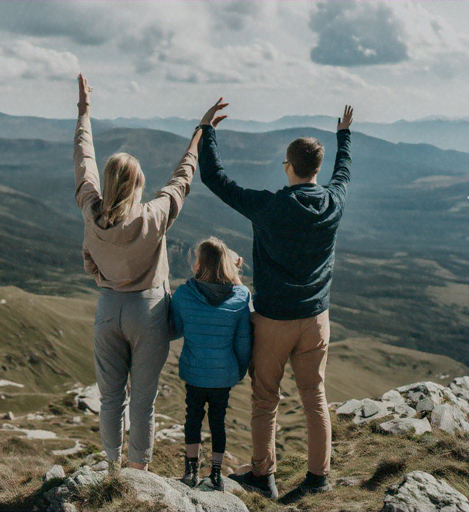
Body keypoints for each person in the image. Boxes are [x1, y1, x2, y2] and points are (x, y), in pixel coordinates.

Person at [197, 100, 353, 502]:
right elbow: (343, 173)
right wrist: (344, 136)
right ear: (314, 169)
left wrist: (207, 131)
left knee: (266, 398)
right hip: (316, 318)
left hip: (273, 321)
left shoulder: (270, 206)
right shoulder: (332, 202)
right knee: (313, 396)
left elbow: (216, 180)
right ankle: (319, 479)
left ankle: (263, 476)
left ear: (288, 165)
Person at [74, 73, 202, 473]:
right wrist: (200, 134)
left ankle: (112, 466)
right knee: (143, 400)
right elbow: (182, 179)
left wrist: (84, 111)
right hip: (149, 313)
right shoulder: (152, 217)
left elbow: (84, 159)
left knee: (112, 398)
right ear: (138, 184)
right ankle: (138, 471)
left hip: (108, 309)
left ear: (107, 183)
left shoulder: (90, 209)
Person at [170, 237, 252, 491]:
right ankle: (216, 474)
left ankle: (190, 471)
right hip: (223, 374)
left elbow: (176, 328)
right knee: (219, 421)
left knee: (192, 418)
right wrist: (237, 370)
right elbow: (243, 343)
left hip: (195, 372)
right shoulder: (240, 296)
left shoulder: (184, 293)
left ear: (199, 264)